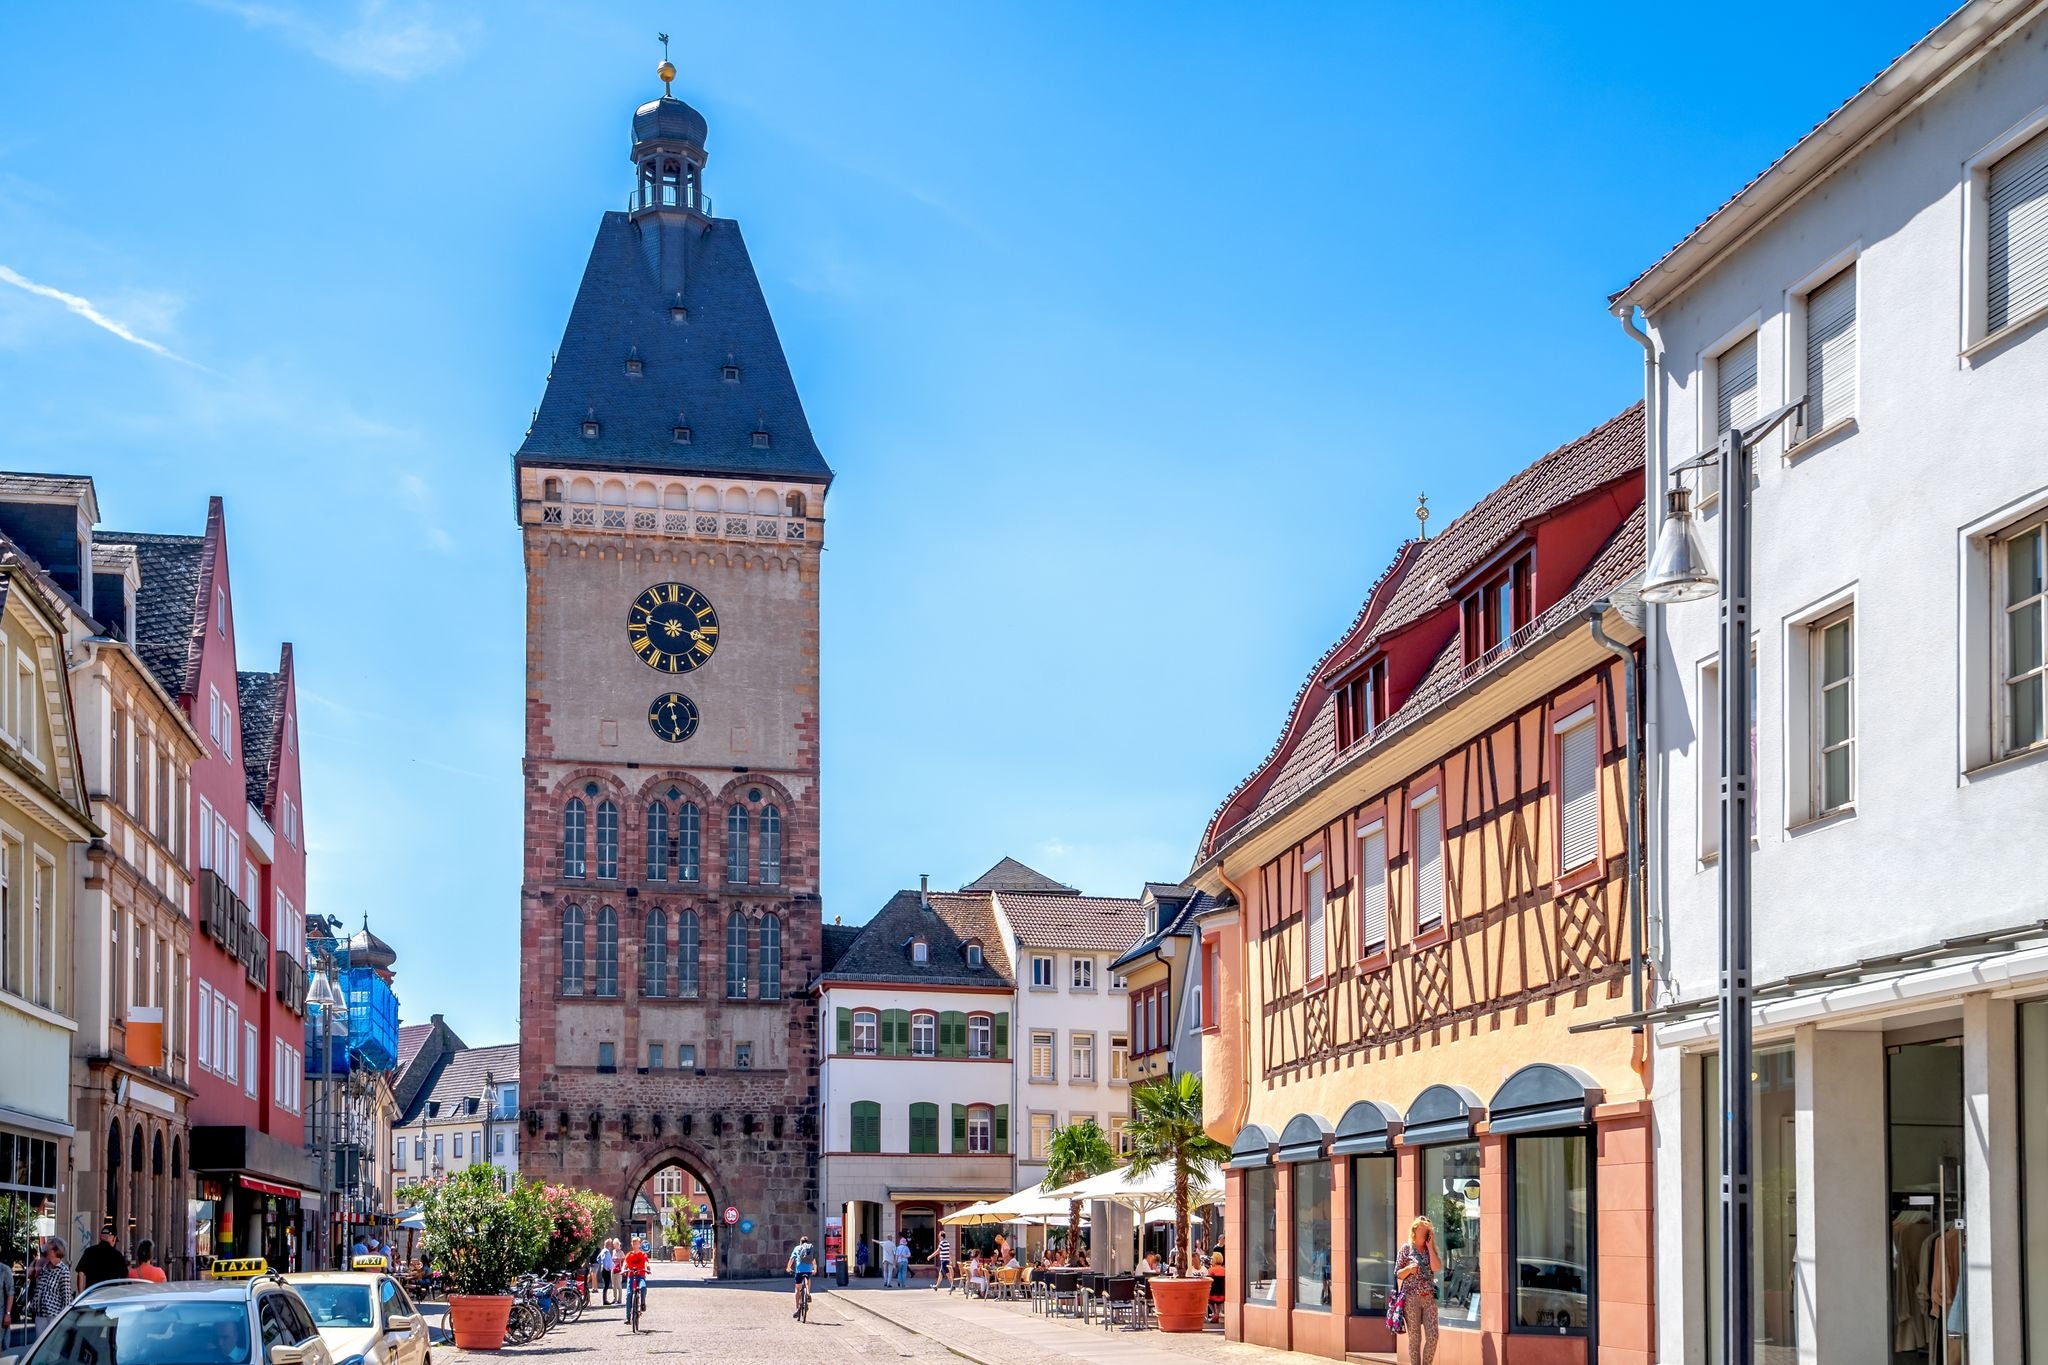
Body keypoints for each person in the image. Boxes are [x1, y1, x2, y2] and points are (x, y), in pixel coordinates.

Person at [1393, 1217, 1441, 1365]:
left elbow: (1436, 1267)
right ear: (1414, 1231)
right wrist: (1408, 1269)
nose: (1424, 1233)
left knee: (1433, 1337)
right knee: (1415, 1339)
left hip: (1429, 1299)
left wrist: (1430, 1247)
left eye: (1427, 1231)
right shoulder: (1406, 1249)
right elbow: (1397, 1273)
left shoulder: (1430, 1249)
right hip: (1411, 1299)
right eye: (1421, 1230)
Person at [28, 1240, 73, 1343]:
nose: (46, 1251)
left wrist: (64, 1319)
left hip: (53, 1315)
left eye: (48, 1249)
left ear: (55, 1251)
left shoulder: (63, 1271)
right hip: (40, 1314)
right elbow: (40, 1289)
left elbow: (66, 1298)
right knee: (39, 1344)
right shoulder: (45, 1268)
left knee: (52, 1345)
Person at [75, 1225, 128, 1291]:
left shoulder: (89, 1252)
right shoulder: (118, 1256)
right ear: (113, 1238)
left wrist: (81, 1293)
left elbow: (81, 1274)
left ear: (100, 1237)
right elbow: (124, 1278)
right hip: (110, 1294)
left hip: (92, 1294)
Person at [786, 1233, 816, 1318]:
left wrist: (788, 1268)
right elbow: (813, 1261)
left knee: (797, 1289)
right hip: (809, 1269)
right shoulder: (810, 1249)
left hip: (799, 1270)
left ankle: (797, 1308)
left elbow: (792, 1259)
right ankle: (808, 1293)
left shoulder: (797, 1248)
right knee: (808, 1278)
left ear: (800, 1242)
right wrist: (815, 1269)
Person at [621, 1237, 650, 1321]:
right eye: (633, 1243)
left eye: (636, 1243)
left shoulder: (643, 1254)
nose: (635, 1245)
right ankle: (628, 1317)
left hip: (640, 1276)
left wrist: (648, 1268)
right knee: (629, 1294)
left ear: (639, 1245)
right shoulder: (629, 1254)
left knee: (643, 1287)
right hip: (631, 1276)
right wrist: (623, 1270)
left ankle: (643, 1303)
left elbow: (646, 1262)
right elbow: (625, 1264)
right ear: (631, 1244)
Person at [597, 1239, 616, 1305]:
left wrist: (601, 1265)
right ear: (608, 1245)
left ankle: (605, 1300)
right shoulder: (606, 1251)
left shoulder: (602, 1251)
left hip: (603, 1269)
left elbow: (598, 1258)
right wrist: (606, 1267)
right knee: (606, 1285)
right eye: (610, 1244)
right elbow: (605, 1261)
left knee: (606, 1285)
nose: (611, 1246)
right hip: (606, 1270)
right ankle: (605, 1300)